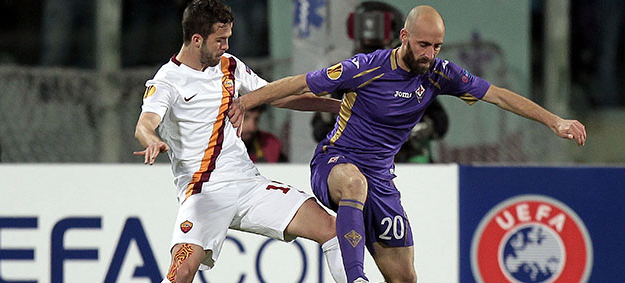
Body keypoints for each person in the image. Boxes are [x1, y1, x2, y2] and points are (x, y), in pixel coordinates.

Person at [228, 5, 587, 283]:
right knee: (355, 182)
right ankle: (356, 278)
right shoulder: (366, 67)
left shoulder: (439, 73)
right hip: (335, 161)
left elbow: (499, 96)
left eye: (436, 46)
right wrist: (247, 100)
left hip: (381, 181)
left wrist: (555, 120)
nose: (430, 53)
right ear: (404, 36)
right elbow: (299, 83)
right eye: (423, 45)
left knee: (404, 277)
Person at [133, 1, 346, 282]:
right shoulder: (167, 81)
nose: (226, 46)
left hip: (248, 185)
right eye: (220, 40)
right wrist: (152, 140)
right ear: (196, 40)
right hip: (203, 193)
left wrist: (337, 106)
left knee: (332, 228)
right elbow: (145, 123)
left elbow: (277, 96)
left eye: (228, 39)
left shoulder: (229, 66)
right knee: (181, 272)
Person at [311, 1, 448, 164]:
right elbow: (320, 127)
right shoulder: (346, 73)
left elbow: (440, 121)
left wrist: (419, 130)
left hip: (408, 162)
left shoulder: (413, 75)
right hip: (358, 163)